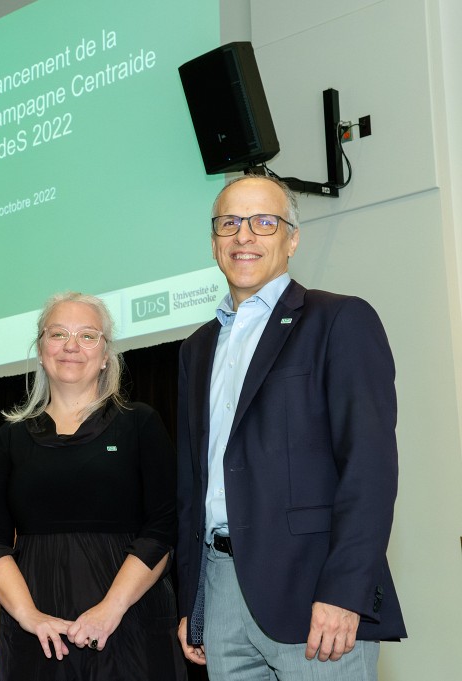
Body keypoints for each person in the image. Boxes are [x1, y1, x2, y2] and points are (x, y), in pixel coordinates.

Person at [176, 175, 406, 680]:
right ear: (214, 240)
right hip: (221, 594)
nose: (244, 236)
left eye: (263, 222)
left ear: (292, 238)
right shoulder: (195, 348)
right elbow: (194, 484)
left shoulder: (339, 320)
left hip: (313, 595)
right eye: (229, 223)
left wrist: (345, 592)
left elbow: (368, 468)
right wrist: (192, 597)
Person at [0, 292, 185, 681]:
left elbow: (162, 527)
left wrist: (110, 610)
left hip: (129, 622)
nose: (71, 346)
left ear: (106, 355)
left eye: (88, 336)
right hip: (38, 634)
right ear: (41, 350)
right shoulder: (11, 438)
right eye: (58, 334)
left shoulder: (140, 424)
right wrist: (29, 617)